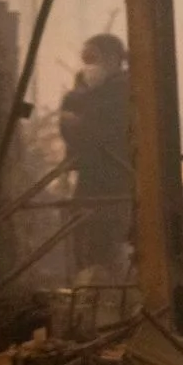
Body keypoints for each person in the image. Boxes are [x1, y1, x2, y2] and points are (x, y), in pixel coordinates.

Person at [59, 33, 132, 277]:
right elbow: (72, 127)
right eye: (85, 59)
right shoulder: (83, 92)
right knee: (85, 241)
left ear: (113, 59)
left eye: (94, 59)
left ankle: (106, 292)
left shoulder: (124, 90)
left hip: (116, 178)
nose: (88, 66)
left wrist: (78, 121)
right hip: (90, 177)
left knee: (109, 243)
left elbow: (96, 132)